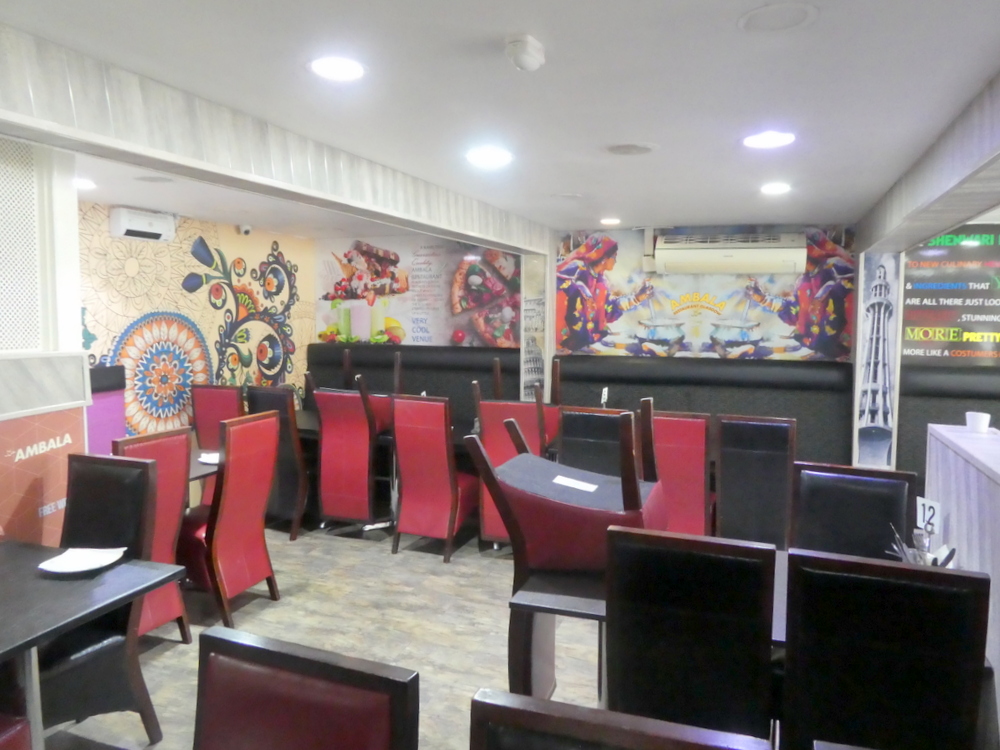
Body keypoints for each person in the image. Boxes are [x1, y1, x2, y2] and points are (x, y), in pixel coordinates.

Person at [745, 229, 854, 359]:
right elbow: (794, 312)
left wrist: (824, 294)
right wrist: (764, 299)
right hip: (815, 350)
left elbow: (856, 281)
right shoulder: (802, 281)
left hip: (840, 352)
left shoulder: (834, 265)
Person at [556, 234, 654, 351]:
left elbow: (609, 309)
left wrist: (636, 298)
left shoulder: (601, 281)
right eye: (614, 256)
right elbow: (561, 304)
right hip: (568, 346)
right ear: (603, 258)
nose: (615, 261)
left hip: (588, 344)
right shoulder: (576, 272)